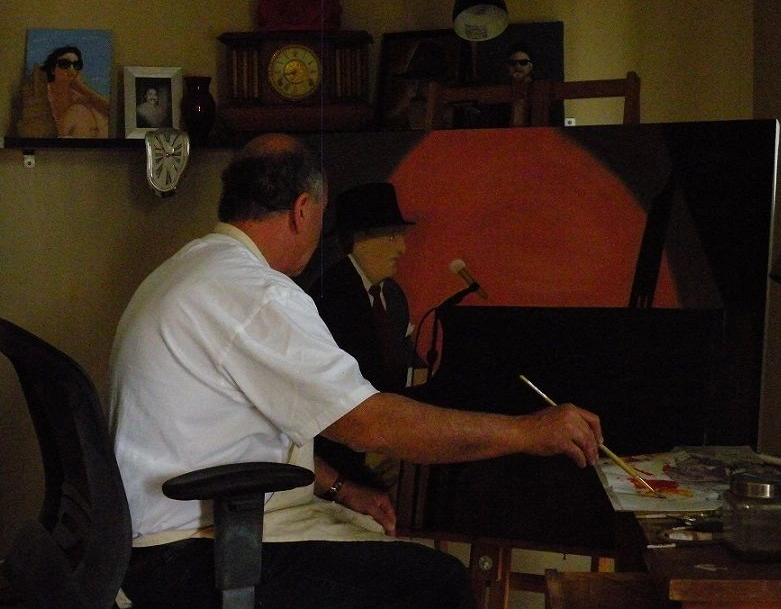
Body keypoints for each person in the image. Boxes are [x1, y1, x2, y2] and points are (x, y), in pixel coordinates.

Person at [109, 133, 602, 608]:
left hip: (165, 538)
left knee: (379, 546)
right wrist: (527, 432)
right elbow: (372, 426)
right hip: (189, 552)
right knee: (439, 582)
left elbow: (244, 436)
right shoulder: (257, 293)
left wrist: (340, 488)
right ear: (303, 210)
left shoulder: (186, 269)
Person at [308, 182, 416, 491]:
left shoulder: (393, 297)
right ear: (359, 241)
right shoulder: (331, 294)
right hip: (341, 452)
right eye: (392, 237)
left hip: (383, 441)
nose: (402, 248)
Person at [41, 45, 109, 138]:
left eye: (76, 65)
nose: (71, 70)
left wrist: (82, 87)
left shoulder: (78, 96)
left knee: (81, 112)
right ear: (53, 69)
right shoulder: (43, 92)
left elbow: (110, 110)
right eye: (64, 64)